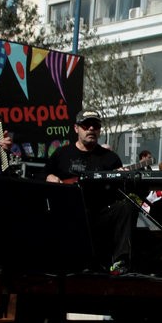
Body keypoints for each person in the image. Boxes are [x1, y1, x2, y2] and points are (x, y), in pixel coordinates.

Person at [44, 109, 139, 272]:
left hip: (100, 212)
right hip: (69, 212)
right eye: (86, 125)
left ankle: (119, 263)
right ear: (76, 128)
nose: (91, 129)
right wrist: (50, 176)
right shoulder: (62, 154)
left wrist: (122, 179)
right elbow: (41, 175)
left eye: (95, 126)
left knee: (126, 207)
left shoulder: (110, 158)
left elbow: (118, 193)